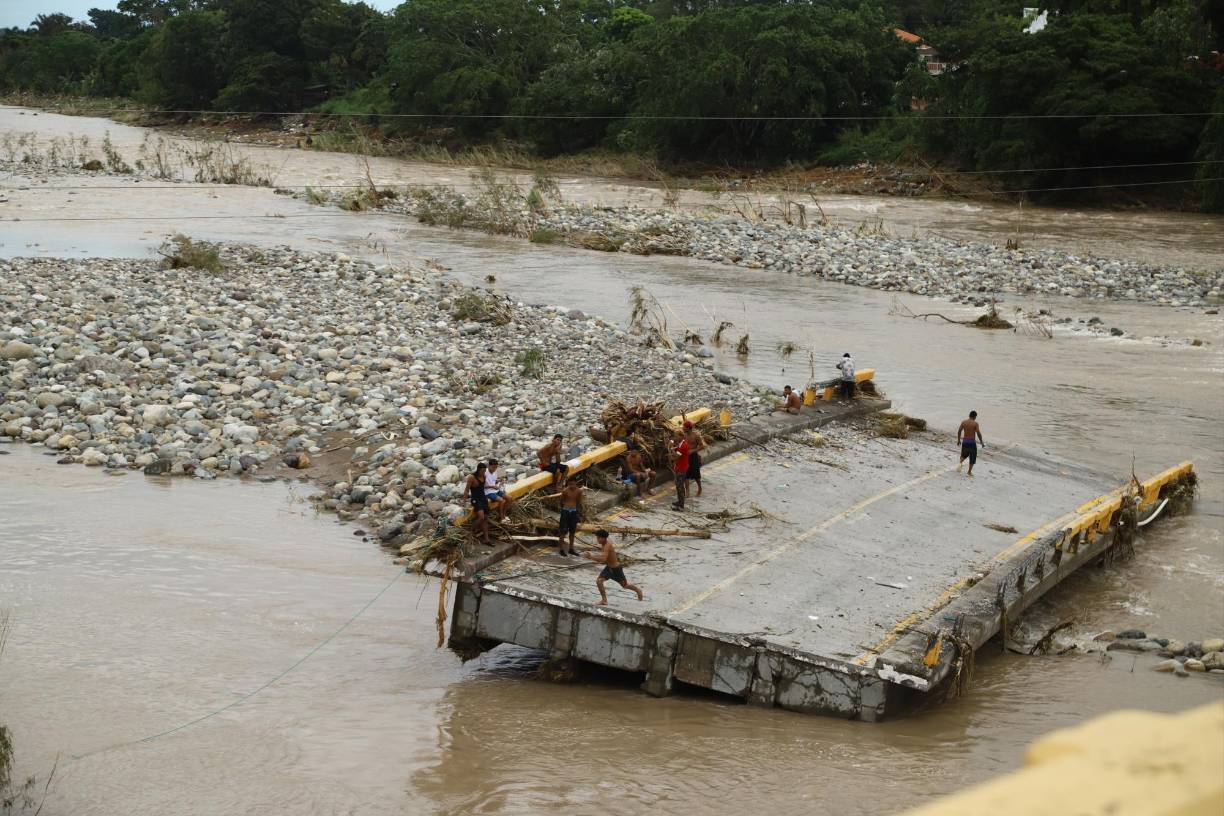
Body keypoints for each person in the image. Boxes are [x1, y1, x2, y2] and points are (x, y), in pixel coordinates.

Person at [586, 529, 643, 605]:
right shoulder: (603, 544)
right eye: (597, 537)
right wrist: (592, 557)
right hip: (608, 568)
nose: (597, 539)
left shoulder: (607, 545)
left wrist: (591, 557)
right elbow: (604, 557)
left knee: (625, 585)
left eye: (598, 538)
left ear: (604, 538)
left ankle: (638, 590)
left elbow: (603, 559)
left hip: (616, 569)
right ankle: (604, 600)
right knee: (599, 581)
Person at [543, 481, 586, 557]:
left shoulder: (579, 491)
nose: (572, 486)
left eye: (573, 484)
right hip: (565, 512)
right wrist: (565, 508)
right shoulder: (565, 491)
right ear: (568, 485)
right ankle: (561, 549)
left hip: (573, 512)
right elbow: (562, 501)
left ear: (576, 484)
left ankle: (571, 549)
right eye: (570, 484)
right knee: (563, 531)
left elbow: (578, 501)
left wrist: (576, 510)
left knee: (572, 532)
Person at [465, 463, 492, 546]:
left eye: (485, 471)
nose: (484, 472)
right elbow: (466, 490)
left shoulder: (484, 476)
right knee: (481, 517)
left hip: (483, 498)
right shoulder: (471, 477)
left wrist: (493, 486)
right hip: (476, 499)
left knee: (485, 518)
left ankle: (487, 539)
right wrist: (464, 501)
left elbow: (483, 487)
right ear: (478, 469)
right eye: (482, 471)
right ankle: (471, 530)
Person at [957, 410, 985, 476]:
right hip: (972, 442)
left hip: (965, 441)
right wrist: (981, 442)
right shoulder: (975, 423)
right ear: (975, 416)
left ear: (969, 415)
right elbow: (978, 433)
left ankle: (960, 464)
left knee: (963, 455)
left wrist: (958, 440)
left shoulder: (964, 422)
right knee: (972, 457)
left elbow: (959, 431)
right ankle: (969, 472)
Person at [684, 420, 705, 498]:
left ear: (688, 428)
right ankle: (687, 491)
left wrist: (692, 451)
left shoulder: (696, 435)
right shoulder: (684, 435)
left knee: (696, 474)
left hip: (693, 456)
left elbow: (702, 446)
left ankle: (700, 488)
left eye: (684, 427)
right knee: (685, 474)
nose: (683, 428)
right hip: (685, 456)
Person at [670, 428, 690, 511]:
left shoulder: (683, 446)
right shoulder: (682, 444)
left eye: (676, 436)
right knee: (679, 486)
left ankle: (681, 506)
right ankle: (680, 502)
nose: (675, 438)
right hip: (680, 467)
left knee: (680, 487)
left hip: (681, 468)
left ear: (681, 436)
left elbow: (676, 456)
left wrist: (671, 450)